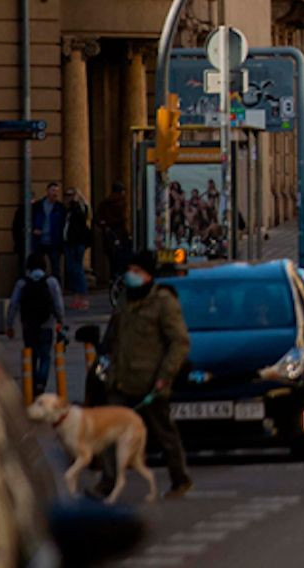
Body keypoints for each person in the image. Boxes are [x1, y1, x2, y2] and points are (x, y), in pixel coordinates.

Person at [96, 252, 193, 499]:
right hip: (121, 379)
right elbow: (114, 335)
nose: (131, 275)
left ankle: (179, 478)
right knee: (110, 432)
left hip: (150, 382)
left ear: (148, 274)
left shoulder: (162, 302)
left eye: (136, 270)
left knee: (164, 433)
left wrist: (165, 375)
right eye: (130, 270)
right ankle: (107, 482)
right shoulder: (125, 300)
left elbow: (179, 342)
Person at [6, 253, 67, 390]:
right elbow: (58, 304)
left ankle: (31, 384)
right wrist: (60, 320)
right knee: (45, 355)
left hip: (28, 325)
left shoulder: (22, 283)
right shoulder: (51, 282)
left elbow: (13, 304)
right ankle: (41, 382)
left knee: (31, 356)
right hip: (47, 324)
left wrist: (9, 325)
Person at [26, 182, 67, 281]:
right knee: (38, 265)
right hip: (39, 240)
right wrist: (34, 229)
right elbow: (30, 220)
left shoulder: (60, 208)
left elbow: (63, 224)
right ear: (47, 191)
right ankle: (38, 286)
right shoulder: (38, 206)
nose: (55, 193)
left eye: (57, 191)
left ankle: (56, 289)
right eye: (53, 190)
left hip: (54, 241)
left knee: (55, 267)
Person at [62, 187, 93, 310]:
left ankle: (83, 296)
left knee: (78, 269)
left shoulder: (79, 208)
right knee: (72, 270)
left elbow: (80, 218)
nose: (68, 197)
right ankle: (76, 297)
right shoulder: (69, 209)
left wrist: (76, 200)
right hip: (69, 242)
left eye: (71, 195)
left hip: (77, 243)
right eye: (67, 195)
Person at [93, 183, 129, 287]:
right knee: (121, 259)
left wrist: (105, 225)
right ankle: (120, 280)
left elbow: (97, 219)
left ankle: (113, 279)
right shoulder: (122, 202)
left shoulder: (105, 203)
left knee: (112, 259)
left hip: (109, 236)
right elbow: (123, 219)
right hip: (119, 235)